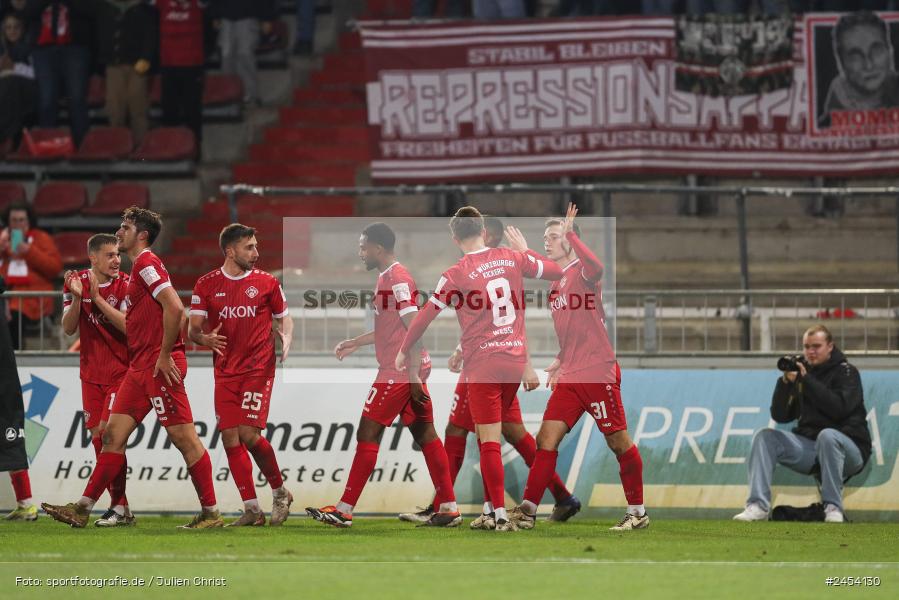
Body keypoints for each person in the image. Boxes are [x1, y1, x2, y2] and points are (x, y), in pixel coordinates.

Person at [42, 207, 222, 529]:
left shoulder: (147, 264)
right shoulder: (140, 266)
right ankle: (83, 508)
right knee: (111, 436)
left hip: (158, 364)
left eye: (125, 227)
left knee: (185, 439)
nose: (119, 232)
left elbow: (176, 307)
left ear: (141, 235)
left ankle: (211, 513)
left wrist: (165, 354)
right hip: (140, 366)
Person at [399, 216, 581, 530]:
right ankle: (480, 506)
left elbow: (426, 314)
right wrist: (528, 251)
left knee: (487, 440)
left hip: (482, 364)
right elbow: (557, 271)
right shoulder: (511, 257)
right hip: (511, 358)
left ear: (455, 240)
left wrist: (404, 348)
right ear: (484, 232)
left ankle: (492, 513)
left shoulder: (455, 273)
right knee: (497, 431)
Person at [306, 222, 461, 528]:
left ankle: (344, 509)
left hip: (400, 370)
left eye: (363, 247)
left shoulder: (398, 279)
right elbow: (389, 327)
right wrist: (355, 342)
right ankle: (449, 507)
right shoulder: (386, 278)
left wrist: (413, 374)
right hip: (405, 367)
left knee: (368, 433)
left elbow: (414, 325)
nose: (360, 252)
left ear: (378, 248)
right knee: (425, 435)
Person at [504, 204, 648, 531]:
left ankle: (638, 513)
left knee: (618, 443)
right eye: (545, 237)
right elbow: (575, 331)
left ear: (571, 240)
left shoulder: (583, 271)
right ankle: (527, 511)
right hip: (572, 374)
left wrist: (568, 235)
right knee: (546, 439)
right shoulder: (557, 284)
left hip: (598, 372)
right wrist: (559, 360)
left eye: (554, 236)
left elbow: (597, 266)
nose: (547, 241)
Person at [188, 223, 294, 527]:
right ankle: (252, 509)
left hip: (258, 367)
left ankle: (279, 492)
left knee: (248, 435)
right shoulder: (206, 284)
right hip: (225, 370)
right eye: (250, 247)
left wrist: (285, 339)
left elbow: (285, 319)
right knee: (229, 438)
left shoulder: (267, 283)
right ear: (230, 251)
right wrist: (203, 338)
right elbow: (192, 329)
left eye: (256, 246)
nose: (256, 253)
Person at [733, 325, 871, 524]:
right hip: (813, 450)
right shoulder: (803, 375)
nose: (810, 352)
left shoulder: (847, 372)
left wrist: (806, 380)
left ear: (830, 346)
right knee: (765, 437)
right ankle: (758, 506)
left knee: (828, 435)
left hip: (851, 451)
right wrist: (786, 383)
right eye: (807, 347)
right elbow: (780, 415)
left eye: (816, 346)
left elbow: (838, 408)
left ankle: (832, 507)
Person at [60, 233, 133, 527]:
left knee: (108, 434)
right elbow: (68, 328)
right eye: (110, 255)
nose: (117, 260)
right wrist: (78, 297)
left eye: (118, 254)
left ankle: (113, 505)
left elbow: (128, 326)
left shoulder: (126, 284)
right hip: (91, 372)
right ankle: (122, 508)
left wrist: (97, 298)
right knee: (98, 438)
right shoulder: (74, 281)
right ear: (93, 258)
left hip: (121, 370)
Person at [71, 0, 157, 144]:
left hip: (137, 66)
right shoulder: (103, 6)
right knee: (115, 109)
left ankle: (141, 149)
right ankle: (118, 146)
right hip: (113, 66)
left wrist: (146, 57)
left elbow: (151, 35)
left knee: (138, 108)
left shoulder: (143, 9)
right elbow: (78, 6)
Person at [21, 0, 92, 145]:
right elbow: (27, 13)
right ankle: (48, 144)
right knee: (47, 100)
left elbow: (90, 11)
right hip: (43, 50)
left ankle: (83, 146)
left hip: (74, 48)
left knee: (76, 99)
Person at [820, 11, 899, 127]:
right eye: (855, 57)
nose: (869, 65)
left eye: (876, 51)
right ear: (841, 63)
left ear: (889, 52)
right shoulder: (828, 122)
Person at [0, 202, 62, 351]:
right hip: (6, 296)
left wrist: (29, 252)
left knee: (13, 316)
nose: (18, 224)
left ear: (29, 221)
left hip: (31, 298)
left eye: (21, 220)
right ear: (8, 222)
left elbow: (54, 268)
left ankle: (13, 360)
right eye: (14, 220)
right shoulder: (2, 239)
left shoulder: (42, 238)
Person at [0, 273, 35, 522]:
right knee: (10, 432)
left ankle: (26, 504)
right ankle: (25, 504)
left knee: (11, 433)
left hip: (3, 375)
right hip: (5, 374)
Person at [152, 0, 205, 149]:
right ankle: (169, 149)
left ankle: (195, 149)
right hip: (168, 64)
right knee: (169, 110)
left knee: (192, 111)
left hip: (192, 64)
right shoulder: (163, 2)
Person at [209, 0, 277, 106]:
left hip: (249, 14)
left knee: (245, 55)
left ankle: (251, 95)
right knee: (227, 56)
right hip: (225, 15)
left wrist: (267, 17)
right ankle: (228, 95)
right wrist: (215, 14)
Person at [0, 13, 37, 148]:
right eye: (8, 28)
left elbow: (37, 74)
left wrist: (14, 67)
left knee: (11, 82)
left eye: (16, 27)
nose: (12, 31)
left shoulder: (31, 49)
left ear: (22, 29)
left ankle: (9, 138)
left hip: (27, 93)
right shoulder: (2, 49)